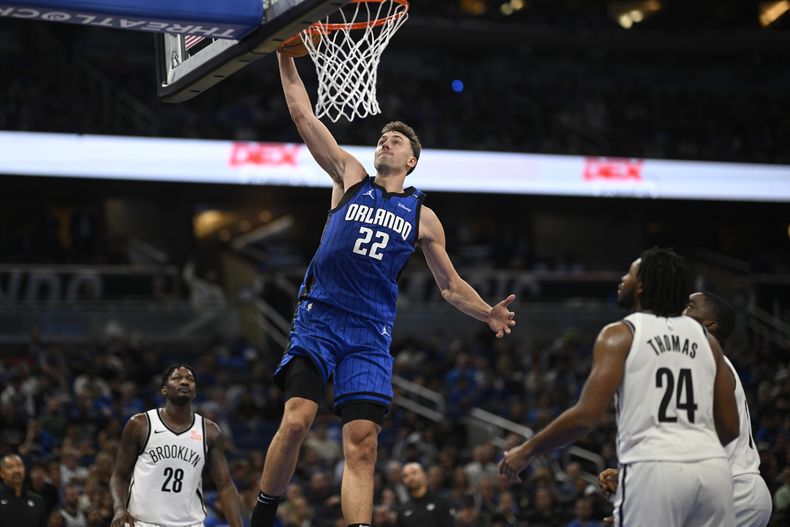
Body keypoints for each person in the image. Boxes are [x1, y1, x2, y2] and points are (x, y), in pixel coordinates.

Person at [250, 52, 517, 527]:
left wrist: (488, 313)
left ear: (410, 161)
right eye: (381, 138)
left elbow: (451, 286)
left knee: (364, 445)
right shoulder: (350, 177)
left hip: (369, 334)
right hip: (320, 317)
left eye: (395, 141)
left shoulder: (423, 217)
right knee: (297, 419)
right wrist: (285, 56)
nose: (384, 142)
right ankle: (263, 514)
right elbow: (302, 115)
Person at [499, 247, 740, 527]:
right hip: (713, 472)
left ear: (641, 287)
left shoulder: (620, 334)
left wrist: (526, 450)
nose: (622, 279)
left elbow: (586, 416)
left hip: (655, 466)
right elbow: (730, 427)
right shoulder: (708, 342)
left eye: (629, 274)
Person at [598, 291, 773, 526]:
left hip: (735, 491)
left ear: (710, 325)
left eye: (690, 306)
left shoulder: (709, 363)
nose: (681, 310)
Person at [110, 364, 243, 527]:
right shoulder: (140, 424)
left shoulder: (210, 432)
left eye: (190, 379)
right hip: (142, 523)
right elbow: (119, 476)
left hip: (190, 524)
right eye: (177, 378)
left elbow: (225, 486)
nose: (185, 382)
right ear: (164, 390)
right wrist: (119, 509)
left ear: (195, 392)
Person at [395, 462, 453, 527]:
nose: (410, 478)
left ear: (424, 475)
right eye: (405, 476)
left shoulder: (441, 502)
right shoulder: (403, 510)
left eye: (414, 473)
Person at [0, 453, 47, 527]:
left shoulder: (38, 500)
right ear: (1, 473)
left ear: (24, 469)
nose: (16, 470)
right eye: (10, 467)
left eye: (19, 466)